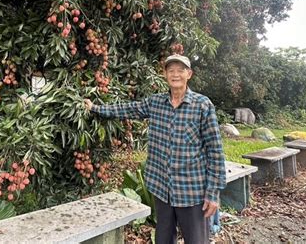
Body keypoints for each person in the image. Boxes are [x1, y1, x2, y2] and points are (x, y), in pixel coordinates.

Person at [84, 54, 225, 244]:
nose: (175, 74)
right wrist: (95, 108)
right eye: (171, 70)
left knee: (197, 240)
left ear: (189, 74)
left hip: (191, 190)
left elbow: (215, 151)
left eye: (180, 70)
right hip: (162, 188)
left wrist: (213, 193)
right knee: (163, 239)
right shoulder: (156, 103)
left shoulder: (202, 105)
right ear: (165, 74)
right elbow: (128, 109)